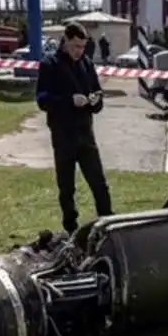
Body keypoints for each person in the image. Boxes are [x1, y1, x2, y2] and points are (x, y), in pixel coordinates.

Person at [35, 22, 114, 233]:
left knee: (99, 183)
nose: (79, 51)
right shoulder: (49, 64)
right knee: (67, 187)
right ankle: (70, 228)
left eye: (83, 46)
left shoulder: (87, 65)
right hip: (63, 135)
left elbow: (98, 94)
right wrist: (69, 100)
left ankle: (108, 225)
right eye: (76, 46)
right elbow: (42, 99)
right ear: (65, 41)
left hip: (85, 134)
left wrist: (95, 100)